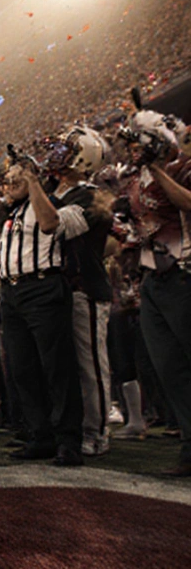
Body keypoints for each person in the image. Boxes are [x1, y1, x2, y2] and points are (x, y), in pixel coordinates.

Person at [0, 162, 85, 466]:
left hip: (43, 287)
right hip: (12, 293)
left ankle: (68, 440)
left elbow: (49, 224)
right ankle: (40, 435)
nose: (10, 183)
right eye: (8, 180)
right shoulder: (12, 213)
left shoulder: (49, 204)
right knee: (22, 368)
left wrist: (32, 181)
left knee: (57, 367)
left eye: (16, 178)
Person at [120, 111, 191, 477]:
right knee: (169, 367)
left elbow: (188, 202)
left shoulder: (182, 165)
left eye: (139, 142)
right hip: (152, 279)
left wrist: (159, 170)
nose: (133, 150)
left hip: (183, 271)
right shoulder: (134, 179)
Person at [41, 127, 115, 457]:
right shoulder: (58, 190)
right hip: (60, 293)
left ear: (83, 156)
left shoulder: (87, 194)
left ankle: (97, 431)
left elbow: (56, 224)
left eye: (67, 148)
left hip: (85, 288)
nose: (58, 152)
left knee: (90, 365)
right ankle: (68, 426)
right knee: (64, 366)